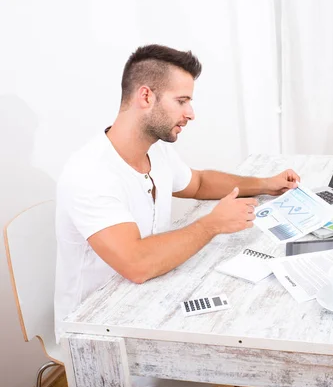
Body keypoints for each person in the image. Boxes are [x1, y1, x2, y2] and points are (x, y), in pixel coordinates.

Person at [54, 44, 299, 346]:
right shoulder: (90, 174)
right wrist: (213, 224)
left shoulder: (155, 151)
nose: (191, 114)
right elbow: (137, 264)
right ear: (146, 97)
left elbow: (198, 183)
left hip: (151, 299)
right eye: (182, 101)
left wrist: (264, 183)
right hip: (99, 333)